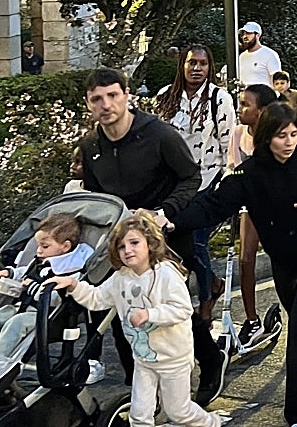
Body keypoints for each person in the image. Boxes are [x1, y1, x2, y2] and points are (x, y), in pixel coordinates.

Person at [170, 102, 297, 425]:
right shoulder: (250, 173)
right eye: (282, 135)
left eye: (295, 134)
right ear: (267, 137)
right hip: (283, 260)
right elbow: (214, 204)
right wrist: (172, 221)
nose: (289, 142)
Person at [78, 68, 226, 405]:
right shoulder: (90, 146)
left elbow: (191, 177)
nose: (106, 105)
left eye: (113, 95)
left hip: (165, 236)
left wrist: (165, 213)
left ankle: (210, 359)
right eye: (97, 99)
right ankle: (139, 389)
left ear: (127, 94)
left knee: (169, 311)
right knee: (121, 313)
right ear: (89, 104)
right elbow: (96, 196)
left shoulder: (159, 134)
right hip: (122, 240)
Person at [50, 211, 220, 427]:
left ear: (149, 243)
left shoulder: (166, 274)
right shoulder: (121, 277)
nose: (127, 250)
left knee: (179, 411)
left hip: (173, 359)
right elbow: (98, 299)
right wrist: (75, 286)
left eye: (134, 242)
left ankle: (210, 423)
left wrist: (151, 314)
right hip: (143, 359)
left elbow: (182, 309)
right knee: (139, 414)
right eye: (121, 246)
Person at [155, 45, 236, 322]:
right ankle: (211, 282)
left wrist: (227, 182)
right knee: (176, 244)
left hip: (208, 180)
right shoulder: (166, 96)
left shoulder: (219, 99)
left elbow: (229, 145)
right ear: (183, 65)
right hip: (175, 186)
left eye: (202, 63)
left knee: (198, 241)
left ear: (209, 67)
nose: (197, 68)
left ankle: (205, 303)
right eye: (192, 63)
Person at [0, 215, 92, 367]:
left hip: (45, 315)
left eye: (45, 246)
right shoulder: (41, 262)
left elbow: (58, 298)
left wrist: (33, 287)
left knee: (16, 324)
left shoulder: (72, 270)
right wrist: (10, 273)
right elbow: (25, 272)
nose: (39, 250)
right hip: (20, 307)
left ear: (66, 246)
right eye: (38, 245)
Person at [226, 83, 278, 348]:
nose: (240, 108)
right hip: (250, 204)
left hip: (277, 206)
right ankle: (251, 319)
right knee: (245, 259)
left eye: (246, 104)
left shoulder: (276, 136)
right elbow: (233, 168)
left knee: (284, 258)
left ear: (262, 111)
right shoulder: (237, 133)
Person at [237, 21, 282, 87]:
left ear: (258, 35)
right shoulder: (241, 57)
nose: (244, 37)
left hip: (265, 96)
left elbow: (277, 80)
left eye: (248, 33)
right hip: (244, 96)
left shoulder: (269, 54)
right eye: (243, 34)